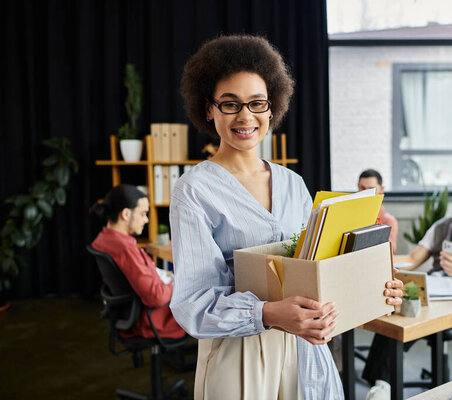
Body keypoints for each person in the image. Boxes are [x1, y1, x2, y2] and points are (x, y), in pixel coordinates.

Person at [169, 34, 404, 400]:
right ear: (209, 108)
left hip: (307, 351)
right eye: (230, 104)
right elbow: (192, 303)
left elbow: (318, 267)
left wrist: (375, 286)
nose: (245, 116)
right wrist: (270, 313)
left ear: (271, 107)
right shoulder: (194, 191)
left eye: (257, 103)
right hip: (241, 356)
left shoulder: (293, 183)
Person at [361, 173, 452, 397]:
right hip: (433, 293)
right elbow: (413, 259)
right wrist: (381, 258)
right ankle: (382, 384)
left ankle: (382, 383)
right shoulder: (443, 225)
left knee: (409, 313)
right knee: (395, 313)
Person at [90, 184, 185, 339]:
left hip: (133, 313)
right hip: (154, 318)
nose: (146, 220)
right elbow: (155, 297)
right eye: (142, 214)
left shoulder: (104, 239)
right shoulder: (125, 248)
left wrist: (163, 277)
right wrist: (177, 285)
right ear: (126, 214)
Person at [358, 169, 399, 254]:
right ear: (358, 187)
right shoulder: (351, 216)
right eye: (362, 188)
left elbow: (391, 251)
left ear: (382, 189)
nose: (366, 193)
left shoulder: (388, 221)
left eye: (371, 189)